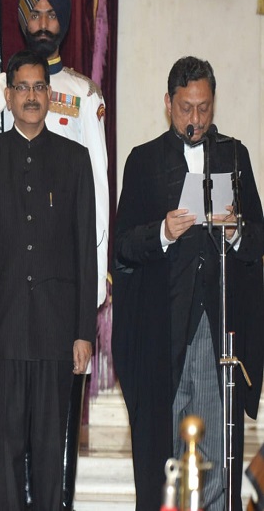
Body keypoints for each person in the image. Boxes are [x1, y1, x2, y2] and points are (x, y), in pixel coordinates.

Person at [0, 0, 109, 505]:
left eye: (38, 89)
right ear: (8, 97)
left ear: (50, 97)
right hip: (4, 329)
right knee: (9, 450)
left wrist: (84, 330)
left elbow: (84, 246)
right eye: (21, 89)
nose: (31, 97)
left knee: (53, 452)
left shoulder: (73, 161)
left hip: (57, 332)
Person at [112, 56, 264, 511]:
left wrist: (235, 232)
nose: (195, 120)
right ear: (167, 104)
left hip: (218, 328)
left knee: (217, 447)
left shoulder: (234, 155)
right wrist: (162, 231)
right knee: (167, 453)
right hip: (162, 330)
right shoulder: (143, 160)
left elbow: (257, 239)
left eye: (203, 108)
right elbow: (122, 245)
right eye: (185, 109)